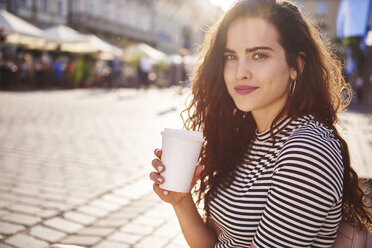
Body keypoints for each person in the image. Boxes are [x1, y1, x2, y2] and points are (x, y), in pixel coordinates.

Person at [150, 0, 372, 247]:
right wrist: (181, 201)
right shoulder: (246, 136)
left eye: (259, 55)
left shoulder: (307, 152)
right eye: (231, 56)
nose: (240, 72)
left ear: (296, 65)